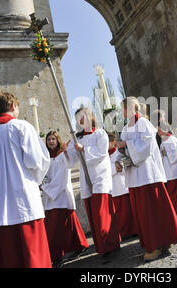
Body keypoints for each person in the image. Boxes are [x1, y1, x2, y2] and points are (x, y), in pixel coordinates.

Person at [0, 91, 51, 268]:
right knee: (33, 257)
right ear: (14, 106)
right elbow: (37, 161)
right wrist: (36, 181)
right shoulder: (22, 127)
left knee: (5, 259)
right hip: (24, 204)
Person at [115, 97, 177, 262]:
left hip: (147, 175)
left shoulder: (143, 123)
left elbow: (146, 146)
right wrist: (118, 160)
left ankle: (158, 244)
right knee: (143, 213)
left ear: (134, 108)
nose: (124, 111)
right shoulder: (125, 128)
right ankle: (158, 242)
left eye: (126, 107)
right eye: (123, 108)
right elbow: (121, 147)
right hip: (134, 176)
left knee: (153, 211)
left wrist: (126, 145)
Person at [66, 107, 121, 263]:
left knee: (101, 214)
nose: (81, 120)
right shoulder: (78, 138)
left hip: (100, 179)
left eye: (83, 116)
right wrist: (66, 150)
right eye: (78, 118)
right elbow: (71, 161)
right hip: (86, 180)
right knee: (93, 216)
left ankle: (110, 246)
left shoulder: (100, 133)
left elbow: (102, 152)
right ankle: (103, 246)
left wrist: (84, 149)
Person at [41, 131, 89, 268]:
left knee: (54, 230)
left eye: (53, 139)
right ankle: (80, 245)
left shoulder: (62, 156)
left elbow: (63, 175)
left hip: (60, 195)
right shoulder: (45, 157)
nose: (51, 141)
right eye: (48, 139)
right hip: (50, 195)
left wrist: (47, 188)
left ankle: (56, 257)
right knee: (69, 224)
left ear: (58, 140)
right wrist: (43, 185)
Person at [107, 132, 137, 240]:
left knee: (127, 210)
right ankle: (123, 232)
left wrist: (115, 168)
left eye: (108, 141)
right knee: (118, 212)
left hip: (122, 184)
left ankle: (133, 230)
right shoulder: (104, 155)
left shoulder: (119, 153)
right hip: (112, 187)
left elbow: (124, 166)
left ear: (113, 142)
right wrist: (114, 168)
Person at [158, 120, 177, 218]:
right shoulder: (163, 142)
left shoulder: (172, 140)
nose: (158, 131)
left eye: (159, 129)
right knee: (172, 193)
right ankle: (175, 211)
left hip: (176, 170)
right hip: (168, 171)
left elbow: (176, 156)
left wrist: (166, 154)